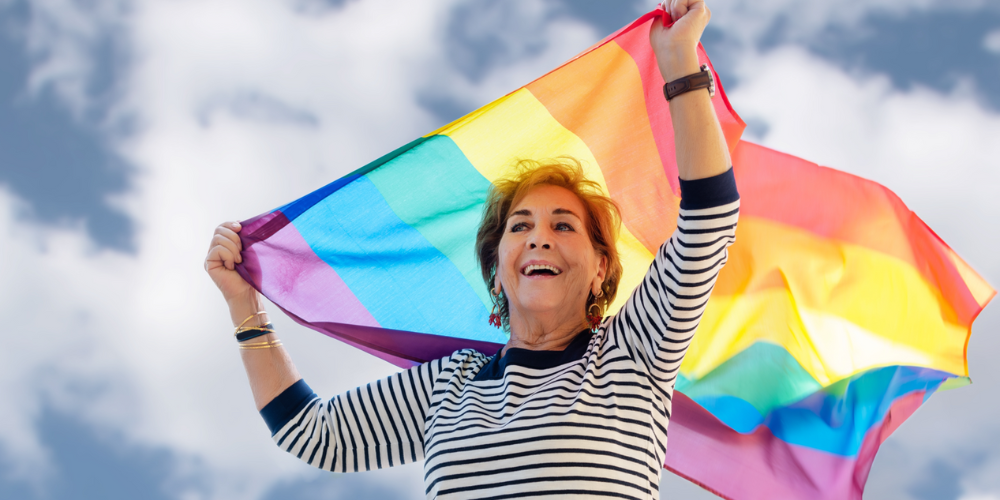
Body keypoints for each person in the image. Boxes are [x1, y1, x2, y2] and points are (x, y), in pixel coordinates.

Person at [204, 1, 739, 498]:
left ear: (602, 269)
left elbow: (708, 222)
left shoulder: (632, 353)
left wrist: (679, 66)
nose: (538, 236)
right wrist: (244, 310)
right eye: (520, 225)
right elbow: (313, 433)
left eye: (564, 225)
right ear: (499, 270)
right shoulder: (450, 384)